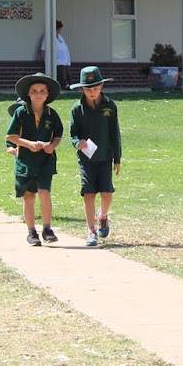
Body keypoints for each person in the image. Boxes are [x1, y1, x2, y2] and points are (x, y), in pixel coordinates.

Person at [7, 73, 65, 247]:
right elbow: (11, 136)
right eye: (34, 91)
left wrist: (52, 146)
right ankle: (31, 232)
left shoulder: (51, 114)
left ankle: (47, 229)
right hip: (25, 161)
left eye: (42, 91)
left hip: (45, 160)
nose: (38, 94)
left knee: (44, 192)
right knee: (29, 196)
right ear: (28, 93)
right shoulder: (21, 112)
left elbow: (58, 134)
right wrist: (29, 144)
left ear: (47, 94)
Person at [69, 66, 121, 247]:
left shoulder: (110, 106)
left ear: (101, 87)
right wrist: (78, 143)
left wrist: (117, 158)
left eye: (95, 88)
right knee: (89, 194)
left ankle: (103, 216)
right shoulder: (77, 108)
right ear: (82, 89)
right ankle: (91, 230)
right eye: (87, 89)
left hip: (105, 157)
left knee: (107, 193)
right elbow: (73, 134)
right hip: (86, 159)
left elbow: (115, 134)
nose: (92, 92)